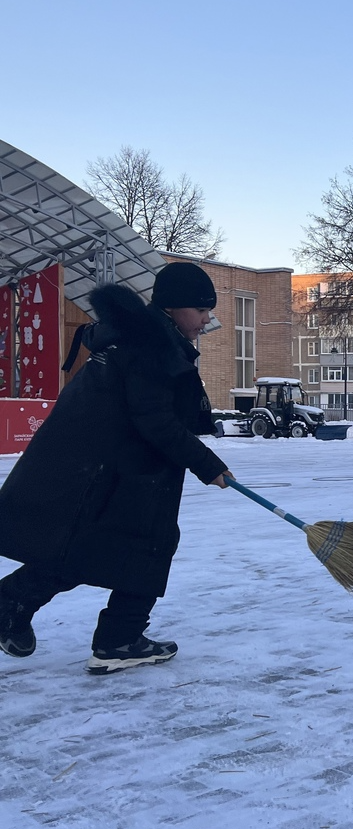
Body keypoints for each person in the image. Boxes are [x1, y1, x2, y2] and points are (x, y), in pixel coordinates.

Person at [0, 261, 233, 674]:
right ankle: (117, 639)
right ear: (174, 308)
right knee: (148, 543)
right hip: (118, 470)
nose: (206, 318)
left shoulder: (135, 340)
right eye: (201, 309)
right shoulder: (149, 348)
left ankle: (18, 605)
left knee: (100, 545)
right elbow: (155, 420)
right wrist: (207, 464)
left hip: (114, 466)